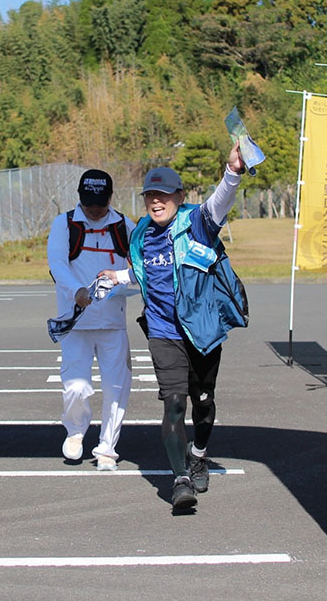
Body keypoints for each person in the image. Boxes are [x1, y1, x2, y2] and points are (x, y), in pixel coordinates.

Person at [99, 143, 247, 511]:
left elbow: (219, 203)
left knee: (203, 402)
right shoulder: (141, 235)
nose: (156, 201)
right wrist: (118, 276)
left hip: (201, 330)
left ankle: (199, 454)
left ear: (179, 197)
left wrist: (232, 173)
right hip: (163, 331)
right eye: (150, 195)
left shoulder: (196, 223)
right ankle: (180, 478)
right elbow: (146, 272)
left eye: (163, 195)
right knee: (174, 402)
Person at [46, 169, 135, 470]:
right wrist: (77, 291)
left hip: (113, 323)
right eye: (88, 203)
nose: (94, 209)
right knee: (75, 387)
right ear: (79, 198)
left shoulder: (125, 226)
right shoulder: (64, 224)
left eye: (100, 203)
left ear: (110, 198)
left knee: (116, 388)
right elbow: (57, 264)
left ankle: (107, 448)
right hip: (76, 322)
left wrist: (123, 278)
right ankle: (75, 431)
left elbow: (142, 267)